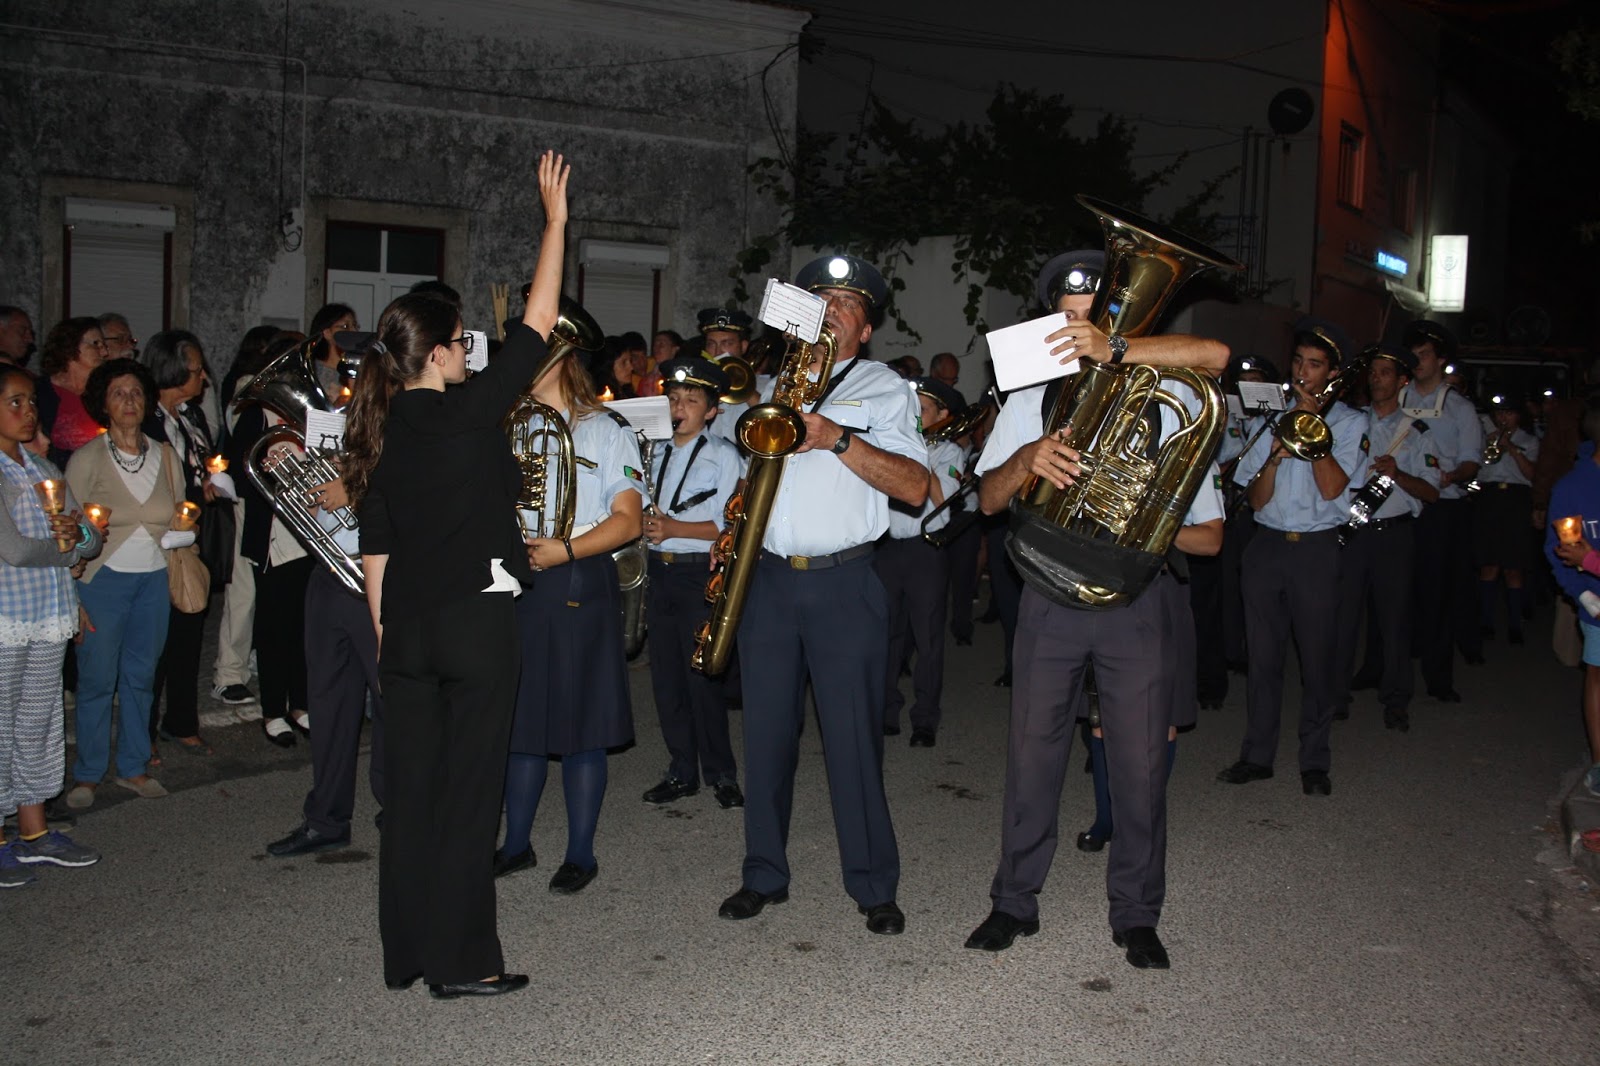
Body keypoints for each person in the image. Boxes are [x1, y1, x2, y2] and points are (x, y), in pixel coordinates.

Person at [344, 149, 571, 1000]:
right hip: (475, 627)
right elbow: (540, 322)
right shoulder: (471, 413)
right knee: (471, 797)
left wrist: (388, 640)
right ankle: (463, 963)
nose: (472, 351)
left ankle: (406, 954)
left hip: (406, 633)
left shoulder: (376, 435)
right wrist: (554, 222)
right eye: (464, 341)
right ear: (439, 354)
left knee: (412, 798)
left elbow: (375, 552)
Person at [962, 247, 1228, 969]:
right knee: (1032, 755)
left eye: (1092, 315)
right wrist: (1027, 459)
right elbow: (986, 501)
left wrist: (1140, 513)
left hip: (1135, 598)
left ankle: (1137, 914)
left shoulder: (1164, 389)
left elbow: (1217, 354)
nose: (1077, 327)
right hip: (1047, 592)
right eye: (1068, 316)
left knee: (1139, 764)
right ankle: (1013, 902)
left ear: (1115, 318)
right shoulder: (1031, 392)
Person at [714, 253, 928, 936]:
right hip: (771, 579)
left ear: (866, 328)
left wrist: (836, 439)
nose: (833, 311)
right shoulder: (770, 385)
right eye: (822, 301)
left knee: (853, 740)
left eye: (848, 304)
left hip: (845, 582)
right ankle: (762, 873)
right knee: (766, 735)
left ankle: (873, 884)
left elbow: (915, 487)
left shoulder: (883, 387)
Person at [495, 296, 645, 894]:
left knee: (582, 724)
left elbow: (628, 520)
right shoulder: (505, 422)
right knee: (520, 721)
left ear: (560, 356)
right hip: (515, 580)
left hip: (577, 574)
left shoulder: (605, 429)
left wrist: (564, 549)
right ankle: (516, 844)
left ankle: (580, 852)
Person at [1218, 317, 1363, 796]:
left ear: (1333, 373)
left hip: (1316, 549)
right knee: (1263, 657)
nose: (1302, 372)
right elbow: (1257, 499)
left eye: (1314, 365)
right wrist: (1275, 457)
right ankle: (1256, 755)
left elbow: (1334, 488)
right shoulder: (1269, 419)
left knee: (1318, 659)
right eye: (1298, 361)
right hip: (1267, 544)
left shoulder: (1351, 423)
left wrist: (1313, 429)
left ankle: (1315, 761)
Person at [64, 358, 184, 805]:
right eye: (118, 393)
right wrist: (70, 593)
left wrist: (184, 530)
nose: (129, 400)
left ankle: (133, 767)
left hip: (153, 580)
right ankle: (88, 773)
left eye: (136, 392)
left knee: (141, 677)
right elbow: (66, 529)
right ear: (103, 403)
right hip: (101, 581)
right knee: (97, 679)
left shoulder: (165, 456)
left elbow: (181, 514)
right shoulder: (87, 458)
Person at [0, 364, 103, 887]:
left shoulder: (42, 467)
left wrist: (76, 536)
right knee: (1, 726)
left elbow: (90, 538)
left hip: (47, 614)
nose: (28, 412)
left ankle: (34, 832)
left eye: (31, 402)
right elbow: (15, 550)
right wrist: (66, 551)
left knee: (38, 724)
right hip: (6, 616)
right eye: (14, 403)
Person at [638, 354, 744, 808]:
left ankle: (721, 772)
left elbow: (730, 526)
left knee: (702, 678)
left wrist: (673, 528)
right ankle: (682, 769)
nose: (678, 408)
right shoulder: (651, 450)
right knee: (666, 679)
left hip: (698, 573)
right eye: (673, 398)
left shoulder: (724, 455)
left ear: (712, 411)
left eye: (691, 401)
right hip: (657, 571)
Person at [265, 464, 386, 857]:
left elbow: (415, 479)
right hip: (328, 569)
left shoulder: (402, 426)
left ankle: (400, 807)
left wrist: (355, 491)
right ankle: (326, 820)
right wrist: (302, 484)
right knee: (327, 703)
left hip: (379, 572)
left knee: (391, 699)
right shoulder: (334, 431)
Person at [1331, 344, 1441, 733]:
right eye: (1373, 372)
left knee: (1395, 621)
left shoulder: (1416, 432)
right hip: (1352, 531)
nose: (1376, 379)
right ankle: (1335, 696)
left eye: (1385, 373)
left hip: (1393, 536)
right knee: (1342, 617)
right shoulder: (1349, 423)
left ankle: (1396, 699)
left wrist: (1398, 474)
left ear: (1402, 381)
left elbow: (1432, 492)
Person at [140, 330, 220, 756]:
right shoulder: (145, 418)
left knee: (190, 626)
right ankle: (142, 734)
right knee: (153, 641)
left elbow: (197, 468)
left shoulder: (191, 415)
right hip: (155, 539)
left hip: (189, 536)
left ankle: (181, 720)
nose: (203, 377)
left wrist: (208, 484)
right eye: (196, 369)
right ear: (172, 370)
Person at [876, 376, 965, 746]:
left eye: (923, 409)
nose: (914, 415)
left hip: (924, 550)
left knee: (928, 639)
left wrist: (917, 454)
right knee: (886, 635)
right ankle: (885, 710)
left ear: (942, 416)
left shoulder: (949, 453)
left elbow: (943, 502)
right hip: (886, 549)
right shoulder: (892, 445)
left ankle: (925, 719)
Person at [1401, 320, 1484, 698]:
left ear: (1440, 360)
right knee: (1396, 589)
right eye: (1413, 356)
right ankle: (1383, 666)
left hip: (1443, 509)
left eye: (1424, 355)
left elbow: (1471, 462)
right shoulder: (1398, 398)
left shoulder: (1459, 407)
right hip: (1400, 503)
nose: (1417, 362)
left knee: (1439, 592)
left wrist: (1454, 475)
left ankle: (1438, 678)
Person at [1546, 391, 1600, 798]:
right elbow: (1564, 550)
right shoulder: (1575, 487)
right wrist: (1584, 596)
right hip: (1597, 601)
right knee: (1598, 675)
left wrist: (1590, 560)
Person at [1476, 392, 1539, 644]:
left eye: (1509, 413)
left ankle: (1515, 624)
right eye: (1500, 413)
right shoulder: (1485, 438)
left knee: (1514, 566)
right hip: (1490, 498)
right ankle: (1485, 622)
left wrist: (1511, 448)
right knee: (1489, 564)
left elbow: (1532, 474)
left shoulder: (1529, 441)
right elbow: (1478, 469)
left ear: (1518, 416)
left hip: (1516, 500)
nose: (1504, 417)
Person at [36, 318, 109, 467]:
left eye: (104, 345)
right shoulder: (39, 392)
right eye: (96, 344)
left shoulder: (106, 392)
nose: (105, 352)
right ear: (69, 346)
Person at [308, 304, 359, 402]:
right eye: (345, 326)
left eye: (355, 326)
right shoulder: (314, 372)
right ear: (327, 333)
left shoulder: (358, 370)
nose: (354, 331)